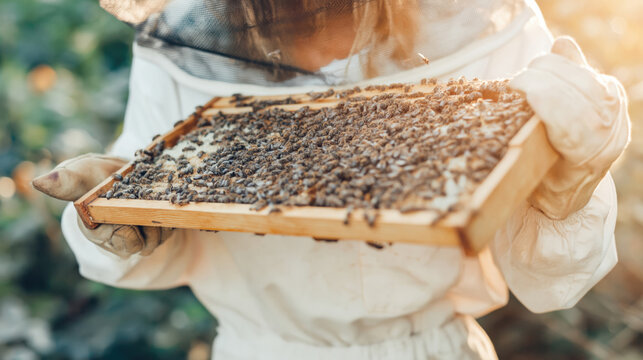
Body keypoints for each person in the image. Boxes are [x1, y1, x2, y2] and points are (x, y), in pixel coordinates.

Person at [32, 0, 630, 358]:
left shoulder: (481, 20)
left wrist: (563, 184)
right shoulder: (187, 38)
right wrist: (120, 209)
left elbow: (547, 278)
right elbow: (151, 231)